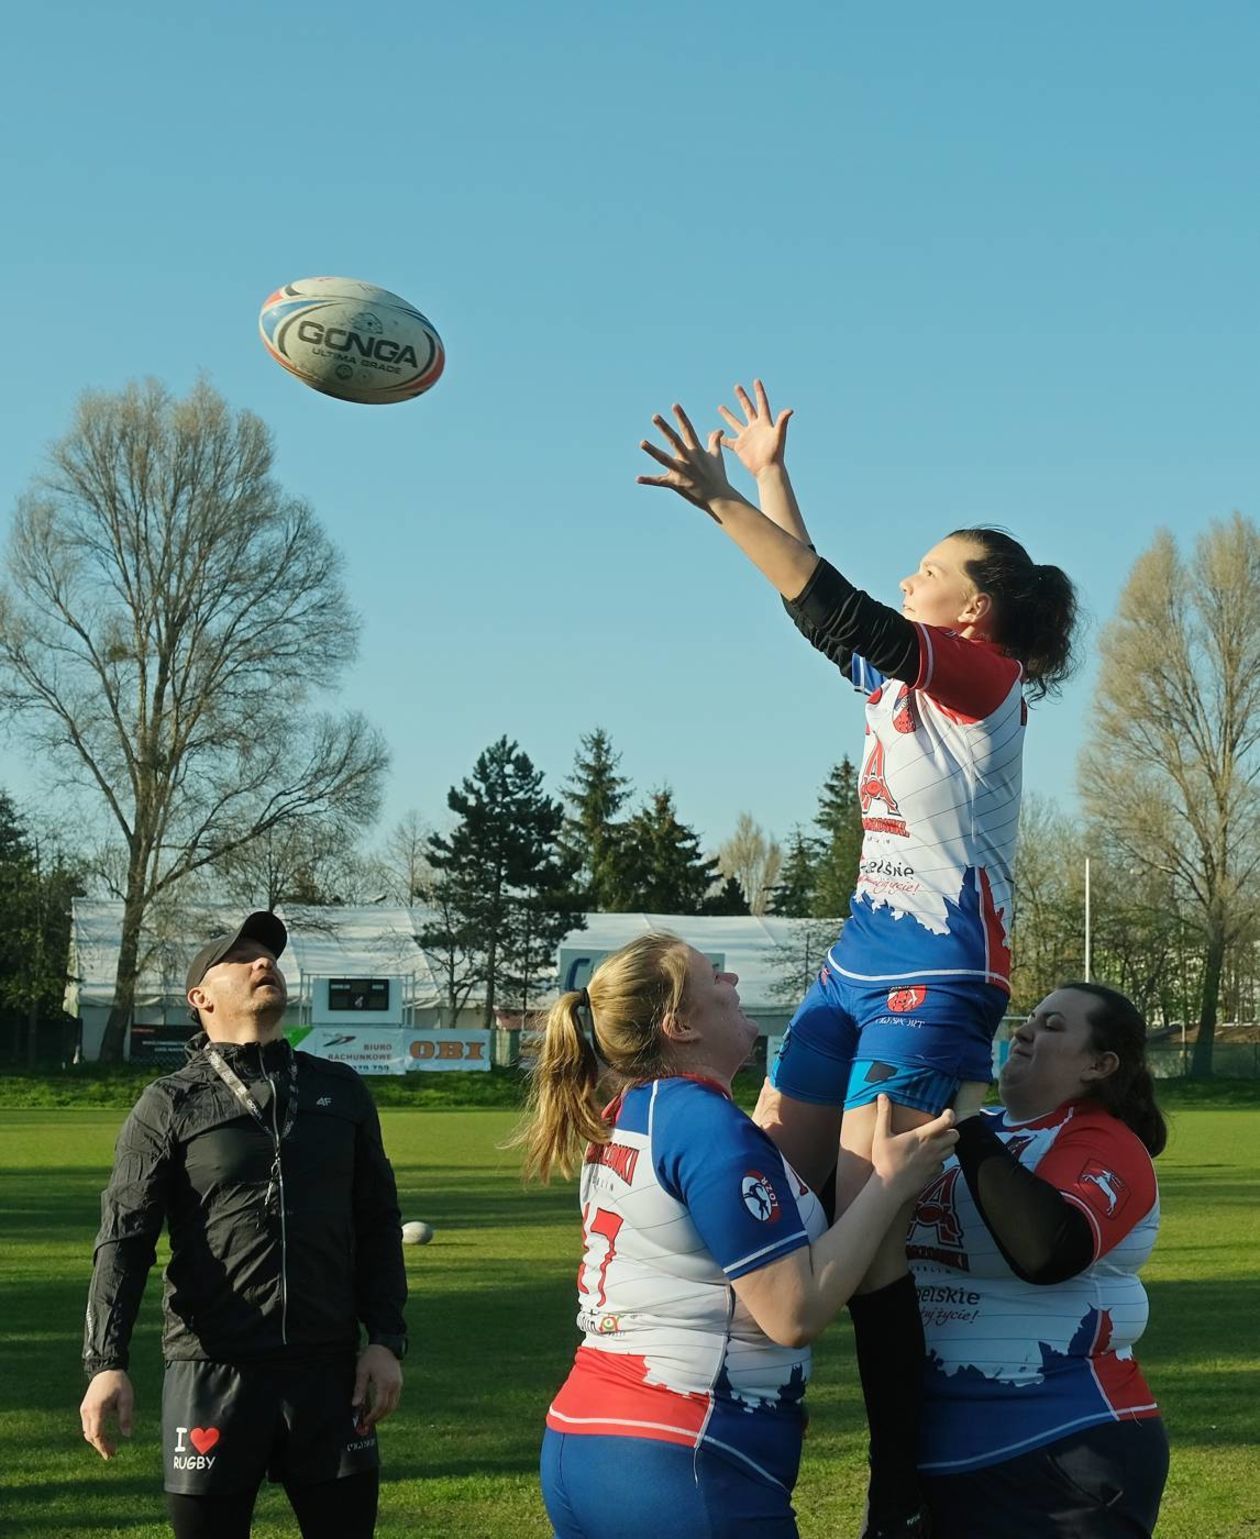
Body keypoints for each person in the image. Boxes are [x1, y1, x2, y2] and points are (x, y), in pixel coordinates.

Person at [638, 385, 1078, 1534]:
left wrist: (724, 498)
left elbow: (839, 605)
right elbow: (820, 609)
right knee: (781, 1193)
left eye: (930, 567)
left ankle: (903, 1491)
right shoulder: (901, 682)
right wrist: (770, 478)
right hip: (853, 966)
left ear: (972, 607)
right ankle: (720, 1409)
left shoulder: (985, 682)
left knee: (865, 1220)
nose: (910, 572)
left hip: (940, 973)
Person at [522, 932, 959, 1539]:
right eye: (713, 978)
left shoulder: (633, 1108)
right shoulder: (705, 1124)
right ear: (680, 1025)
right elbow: (793, 1312)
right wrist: (887, 1183)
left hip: (591, 1438)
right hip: (680, 1455)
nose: (730, 983)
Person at [79, 911, 408, 1539]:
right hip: (212, 1371)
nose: (264, 963)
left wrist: (385, 1341)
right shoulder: (168, 1103)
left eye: (269, 956)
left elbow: (377, 1223)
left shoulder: (340, 1091)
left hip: (328, 1372)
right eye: (242, 958)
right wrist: (105, 1363)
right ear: (200, 997)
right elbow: (123, 1240)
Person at [909, 982, 1167, 1538]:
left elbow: (1049, 1251)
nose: (1025, 1030)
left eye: (1053, 1027)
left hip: (1061, 1447)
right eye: (1031, 1018)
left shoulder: (1105, 1141)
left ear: (1100, 1064)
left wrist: (969, 1123)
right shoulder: (965, 1133)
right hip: (932, 1451)